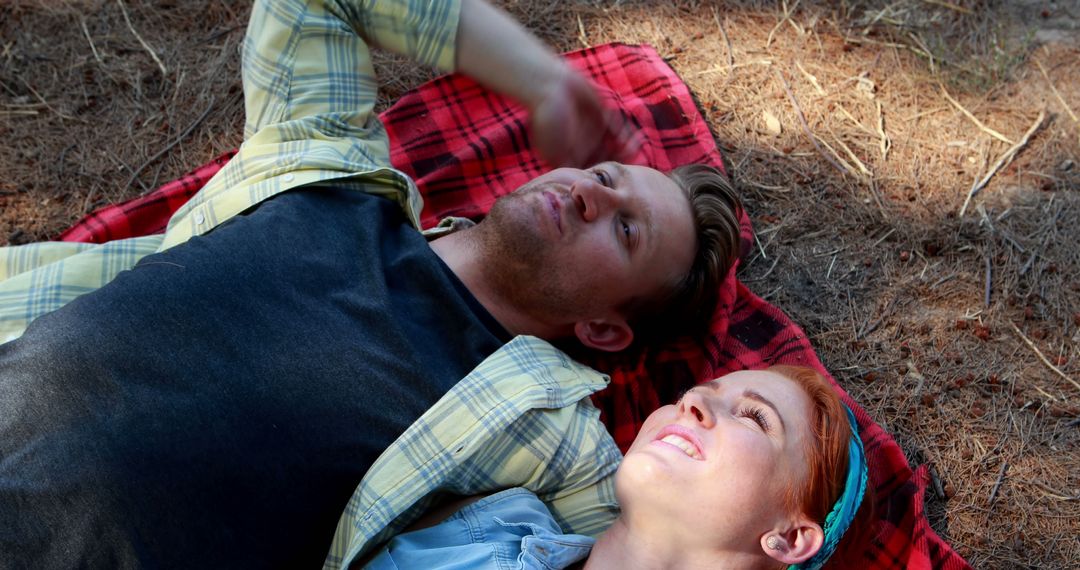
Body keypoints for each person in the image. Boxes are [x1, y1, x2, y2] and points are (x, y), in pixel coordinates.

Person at [0, 0, 742, 568]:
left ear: (605, 331)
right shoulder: (330, 163)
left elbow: (649, 542)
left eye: (626, 230)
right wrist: (541, 80)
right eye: (608, 176)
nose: (591, 194)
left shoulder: (552, 438)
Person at [351, 365, 869, 569]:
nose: (691, 404)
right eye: (696, 393)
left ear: (790, 538)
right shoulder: (494, 524)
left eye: (756, 417)